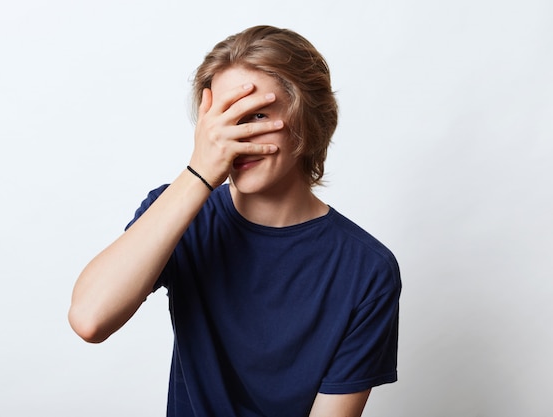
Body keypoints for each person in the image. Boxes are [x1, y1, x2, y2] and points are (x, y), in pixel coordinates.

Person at [68, 25, 401, 417]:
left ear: (308, 121)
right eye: (222, 120)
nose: (235, 138)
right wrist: (198, 173)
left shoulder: (366, 269)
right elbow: (90, 319)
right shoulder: (179, 214)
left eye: (256, 115)